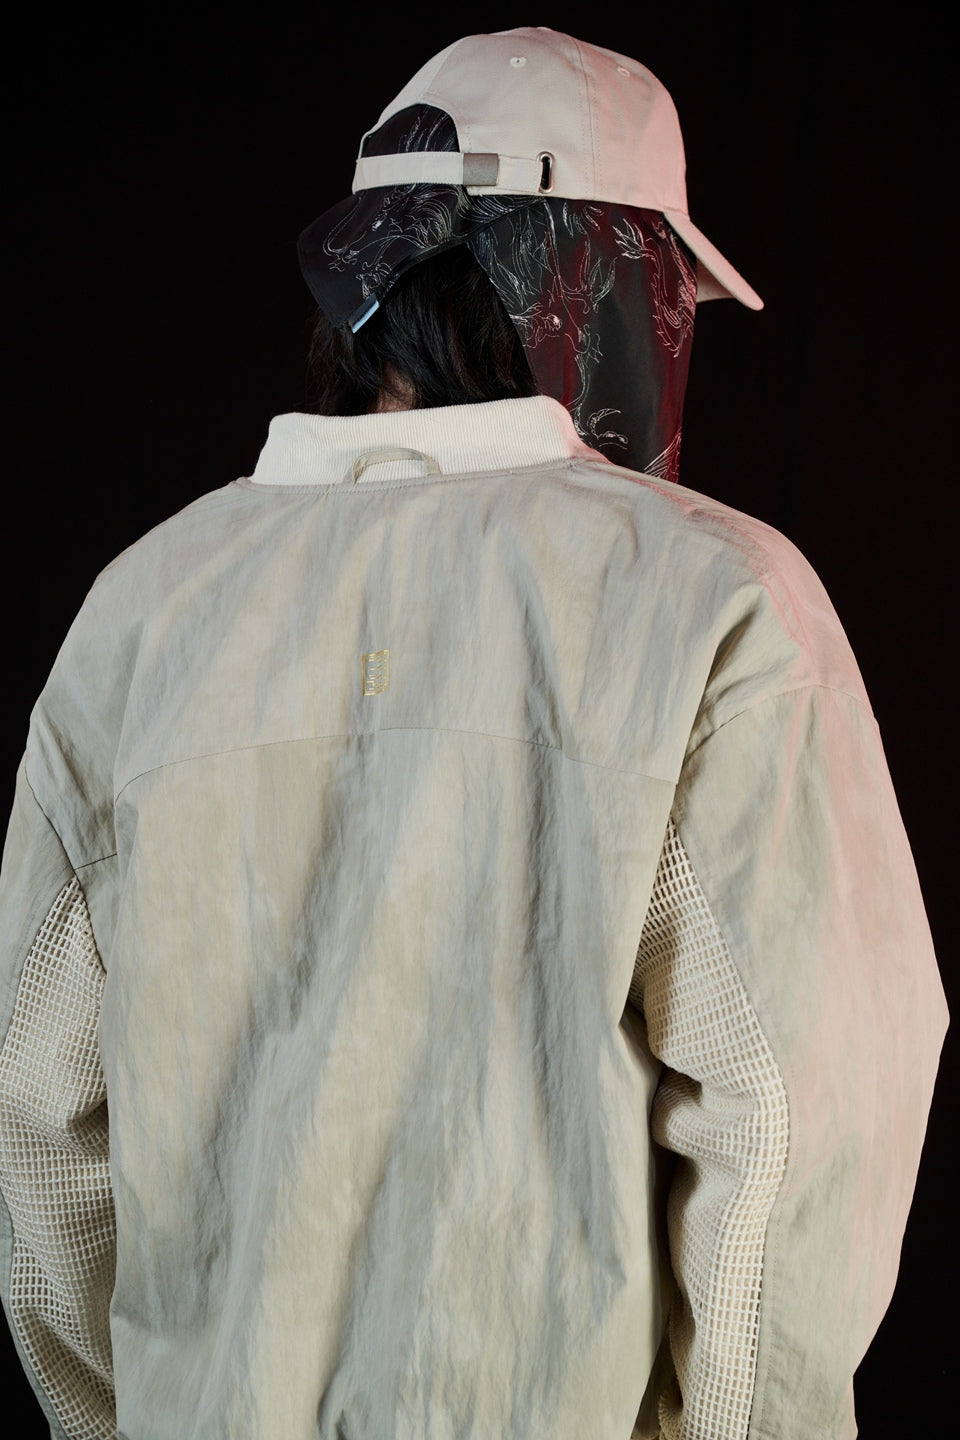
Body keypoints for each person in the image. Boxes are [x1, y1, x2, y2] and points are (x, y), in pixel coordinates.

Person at [0, 25, 947, 1440]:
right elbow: (794, 1127)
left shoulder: (143, 607)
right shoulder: (716, 603)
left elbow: (44, 1131)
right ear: (603, 279)